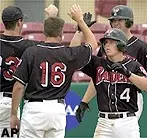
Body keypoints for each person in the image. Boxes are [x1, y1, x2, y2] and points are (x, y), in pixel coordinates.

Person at [10, 4, 98, 138]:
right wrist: (80, 23)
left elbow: (18, 86)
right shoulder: (67, 54)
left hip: (34, 109)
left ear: (44, 32)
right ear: (62, 34)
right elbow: (93, 43)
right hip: (57, 111)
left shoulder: (31, 52)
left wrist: (13, 114)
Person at [76, 28, 147, 138]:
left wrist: (128, 74)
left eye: (111, 42)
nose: (107, 46)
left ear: (121, 45)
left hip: (127, 121)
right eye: (105, 43)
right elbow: (75, 55)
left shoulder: (133, 65)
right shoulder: (98, 63)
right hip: (104, 122)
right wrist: (79, 31)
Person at [81, 5, 147, 120]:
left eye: (120, 20)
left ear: (128, 22)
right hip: (109, 96)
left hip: (131, 99)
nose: (115, 23)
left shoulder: (141, 48)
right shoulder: (105, 47)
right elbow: (98, 77)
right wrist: (85, 101)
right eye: (113, 20)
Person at [0, 4, 58, 137]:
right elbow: (51, 47)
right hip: (10, 103)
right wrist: (52, 18)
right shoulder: (29, 47)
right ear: (19, 22)